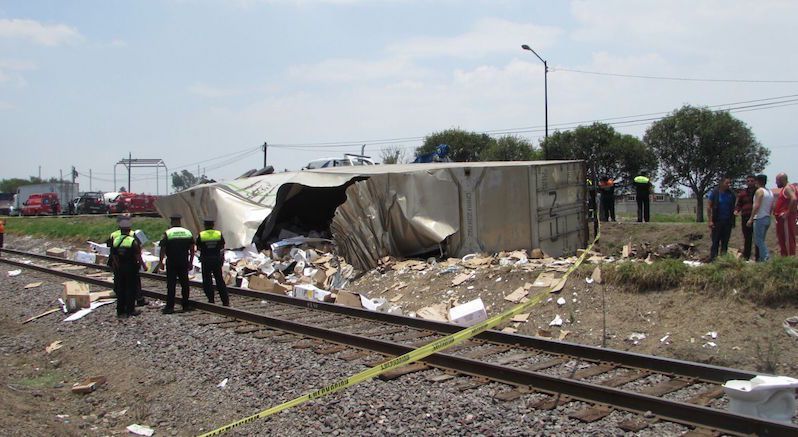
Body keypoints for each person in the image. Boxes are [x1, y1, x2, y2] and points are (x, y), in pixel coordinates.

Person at [157, 214, 195, 314]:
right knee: (185, 284)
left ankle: (170, 307)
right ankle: (185, 305)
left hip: (172, 262)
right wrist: (191, 262)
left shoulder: (168, 233)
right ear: (180, 222)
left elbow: (163, 249)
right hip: (183, 261)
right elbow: (192, 249)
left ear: (172, 222)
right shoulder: (187, 233)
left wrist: (161, 262)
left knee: (171, 285)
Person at [107, 216, 147, 307]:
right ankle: (138, 300)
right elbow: (138, 250)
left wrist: (115, 264)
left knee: (119, 282)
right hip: (131, 263)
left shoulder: (113, 235)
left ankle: (121, 303)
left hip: (118, 263)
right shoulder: (133, 234)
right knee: (134, 283)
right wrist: (142, 264)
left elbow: (111, 250)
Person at [196, 217, 230, 306]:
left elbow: (198, 247)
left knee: (207, 281)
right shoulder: (218, 234)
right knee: (219, 280)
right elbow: (222, 247)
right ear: (213, 225)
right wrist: (221, 258)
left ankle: (211, 300)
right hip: (216, 260)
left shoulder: (202, 234)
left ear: (205, 226)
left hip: (206, 260)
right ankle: (225, 301)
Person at [706, 176, 736, 261]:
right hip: (717, 221)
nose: (728, 185)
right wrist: (710, 220)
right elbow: (709, 207)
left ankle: (723, 260)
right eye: (727, 183)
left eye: (729, 183)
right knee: (715, 241)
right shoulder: (715, 193)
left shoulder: (731, 194)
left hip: (727, 221)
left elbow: (733, 207)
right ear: (721, 183)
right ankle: (713, 259)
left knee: (725, 242)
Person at [747, 174, 774, 262]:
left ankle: (766, 257)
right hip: (767, 217)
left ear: (757, 181)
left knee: (758, 240)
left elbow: (756, 205)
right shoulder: (770, 192)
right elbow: (771, 206)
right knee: (762, 239)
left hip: (759, 218)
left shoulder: (759, 191)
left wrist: (751, 218)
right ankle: (762, 259)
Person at [734, 175, 759, 261]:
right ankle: (746, 257)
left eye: (752, 181)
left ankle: (758, 257)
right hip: (745, 217)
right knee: (747, 238)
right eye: (748, 181)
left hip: (756, 217)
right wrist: (736, 210)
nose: (750, 183)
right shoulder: (743, 193)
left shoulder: (758, 192)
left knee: (757, 238)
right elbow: (739, 204)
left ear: (755, 181)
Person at [773, 173, 797, 256]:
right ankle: (785, 257)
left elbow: (793, 198)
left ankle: (789, 258)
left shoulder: (787, 188)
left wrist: (787, 212)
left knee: (787, 239)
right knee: (783, 238)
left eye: (777, 181)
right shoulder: (788, 188)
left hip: (786, 218)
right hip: (783, 218)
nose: (776, 183)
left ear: (782, 180)